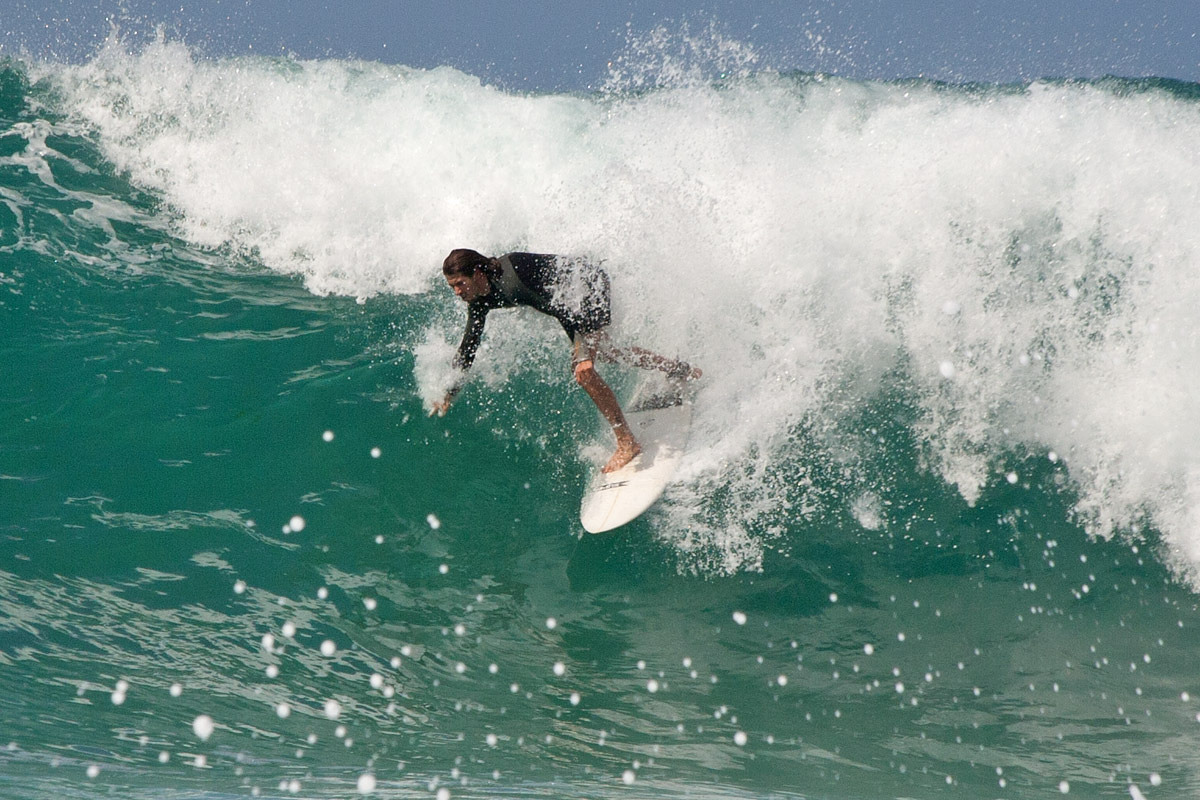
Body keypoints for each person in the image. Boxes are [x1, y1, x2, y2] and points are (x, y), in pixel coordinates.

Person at [432, 248, 701, 473]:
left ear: (477, 273)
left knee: (584, 371)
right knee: (605, 352)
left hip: (589, 283)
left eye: (459, 284)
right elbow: (468, 346)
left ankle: (627, 443)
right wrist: (449, 393)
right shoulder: (480, 299)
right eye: (452, 287)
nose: (457, 292)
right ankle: (678, 369)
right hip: (572, 298)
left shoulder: (512, 278)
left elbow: (559, 307)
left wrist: (581, 353)